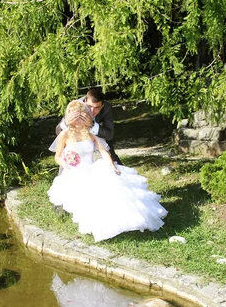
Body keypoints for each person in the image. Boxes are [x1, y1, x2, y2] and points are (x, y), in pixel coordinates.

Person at [48, 100, 167, 242]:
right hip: (74, 170)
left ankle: (127, 218)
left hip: (91, 167)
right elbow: (57, 156)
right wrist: (66, 163)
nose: (79, 121)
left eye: (82, 116)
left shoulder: (90, 133)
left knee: (111, 184)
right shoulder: (65, 135)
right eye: (75, 117)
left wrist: (112, 164)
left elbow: (103, 150)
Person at [55, 88, 122, 165]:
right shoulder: (76, 105)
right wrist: (67, 123)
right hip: (74, 152)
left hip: (99, 149)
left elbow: (109, 135)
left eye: (97, 107)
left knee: (118, 173)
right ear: (85, 101)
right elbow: (58, 132)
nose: (92, 110)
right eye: (89, 106)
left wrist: (92, 125)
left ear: (102, 106)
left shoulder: (107, 107)